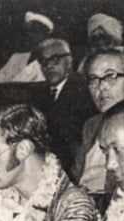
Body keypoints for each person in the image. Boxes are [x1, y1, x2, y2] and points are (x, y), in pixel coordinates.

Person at [73, 50, 124, 193]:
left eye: (110, 77)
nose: (101, 87)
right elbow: (76, 176)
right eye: (94, 80)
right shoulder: (92, 125)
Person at [36, 38, 96, 171]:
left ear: (69, 61)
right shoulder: (42, 93)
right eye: (44, 62)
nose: (49, 66)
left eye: (55, 59)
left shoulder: (84, 89)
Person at [0, 11, 54, 84]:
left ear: (47, 37)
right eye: (29, 31)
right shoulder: (17, 57)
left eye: (36, 32)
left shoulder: (50, 63)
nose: (31, 36)